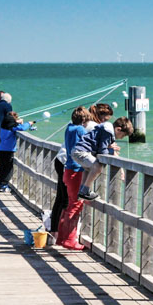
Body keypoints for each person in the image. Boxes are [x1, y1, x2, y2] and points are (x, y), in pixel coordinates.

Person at [54, 106, 93, 250]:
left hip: (68, 169)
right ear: (84, 119)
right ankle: (70, 240)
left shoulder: (69, 128)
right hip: (76, 170)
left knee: (69, 204)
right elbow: (86, 146)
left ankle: (62, 238)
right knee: (76, 205)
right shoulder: (80, 130)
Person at [75, 117, 134, 201]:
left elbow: (101, 147)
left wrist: (121, 170)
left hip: (78, 151)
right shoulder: (107, 132)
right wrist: (110, 150)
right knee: (98, 167)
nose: (121, 138)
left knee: (88, 169)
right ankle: (84, 191)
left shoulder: (105, 131)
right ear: (118, 129)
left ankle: (81, 190)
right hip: (81, 151)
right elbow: (102, 151)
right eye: (123, 135)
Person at [0, 111, 34, 192]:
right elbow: (22, 128)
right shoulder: (12, 125)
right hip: (9, 149)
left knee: (3, 167)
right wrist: (29, 123)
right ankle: (4, 185)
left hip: (1, 148)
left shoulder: (5, 123)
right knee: (8, 168)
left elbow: (14, 125)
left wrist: (18, 122)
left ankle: (1, 184)